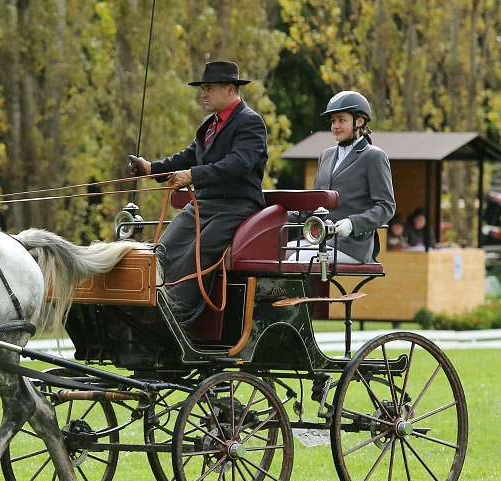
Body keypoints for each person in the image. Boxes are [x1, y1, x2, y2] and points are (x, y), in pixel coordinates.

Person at [127, 60, 268, 324]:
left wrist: (193, 175)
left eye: (209, 88)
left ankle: (177, 315)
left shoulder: (250, 122)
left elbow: (239, 164)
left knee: (197, 254)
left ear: (230, 89)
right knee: (162, 250)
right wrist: (151, 168)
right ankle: (149, 304)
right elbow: (190, 155)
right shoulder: (209, 123)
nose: (203, 93)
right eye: (202, 88)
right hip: (203, 205)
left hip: (236, 209)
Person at [288, 91, 395, 264]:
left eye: (341, 120)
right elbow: (313, 205)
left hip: (352, 244)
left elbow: (386, 207)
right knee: (277, 255)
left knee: (296, 259)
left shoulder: (373, 156)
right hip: (320, 240)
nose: (335, 126)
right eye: (332, 121)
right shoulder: (326, 155)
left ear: (359, 121)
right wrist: (278, 216)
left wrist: (353, 223)